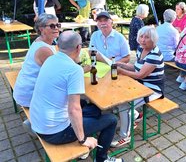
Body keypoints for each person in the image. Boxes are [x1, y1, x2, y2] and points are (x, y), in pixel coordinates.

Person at [29, 31, 122, 162]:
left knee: (93, 108)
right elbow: (74, 110)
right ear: (79, 48)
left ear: (58, 46)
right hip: (55, 132)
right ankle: (102, 158)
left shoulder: (51, 59)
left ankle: (87, 136)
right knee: (111, 119)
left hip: (38, 121)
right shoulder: (74, 70)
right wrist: (83, 139)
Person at [111, 26, 164, 147]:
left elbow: (140, 74)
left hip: (153, 89)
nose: (143, 40)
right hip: (141, 85)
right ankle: (136, 116)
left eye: (147, 37)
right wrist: (122, 64)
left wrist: (121, 71)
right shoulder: (141, 49)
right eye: (141, 36)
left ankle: (125, 136)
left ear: (154, 40)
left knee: (124, 104)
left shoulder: (155, 54)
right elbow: (136, 67)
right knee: (119, 97)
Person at [13, 13, 59, 107]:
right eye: (52, 26)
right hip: (29, 94)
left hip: (26, 88)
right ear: (41, 29)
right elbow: (58, 75)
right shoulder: (44, 49)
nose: (56, 28)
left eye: (58, 25)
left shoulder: (42, 40)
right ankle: (36, 119)